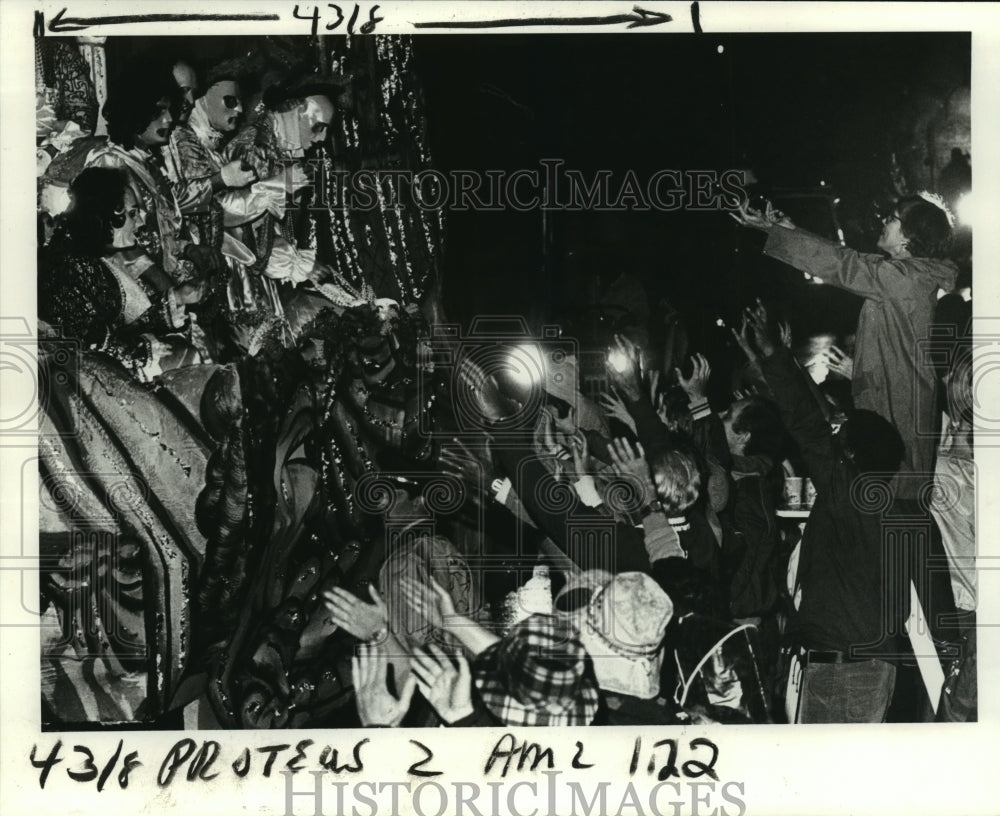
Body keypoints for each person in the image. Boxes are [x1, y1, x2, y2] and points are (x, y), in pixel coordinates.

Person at [745, 302, 905, 723]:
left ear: (849, 454)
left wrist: (774, 357)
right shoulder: (894, 508)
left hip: (839, 670)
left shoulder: (845, 491)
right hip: (879, 666)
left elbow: (808, 425)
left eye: (841, 438)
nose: (833, 441)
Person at [733, 197, 957, 494]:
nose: (883, 222)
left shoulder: (903, 280)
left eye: (891, 218)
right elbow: (845, 258)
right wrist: (787, 229)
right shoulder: (907, 275)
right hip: (894, 404)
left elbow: (843, 265)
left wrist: (778, 232)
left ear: (907, 237)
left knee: (894, 494)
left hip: (896, 410)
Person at [39, 166, 205, 380]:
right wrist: (141, 352)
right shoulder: (69, 264)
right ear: (106, 216)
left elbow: (120, 321)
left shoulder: (88, 253)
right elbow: (87, 344)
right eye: (133, 214)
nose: (141, 222)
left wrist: (173, 302)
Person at [87, 68, 225, 286]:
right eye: (160, 111)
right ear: (135, 112)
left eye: (170, 110)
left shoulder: (148, 164)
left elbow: (161, 232)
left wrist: (188, 249)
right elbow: (115, 244)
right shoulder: (109, 163)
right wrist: (166, 289)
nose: (169, 119)